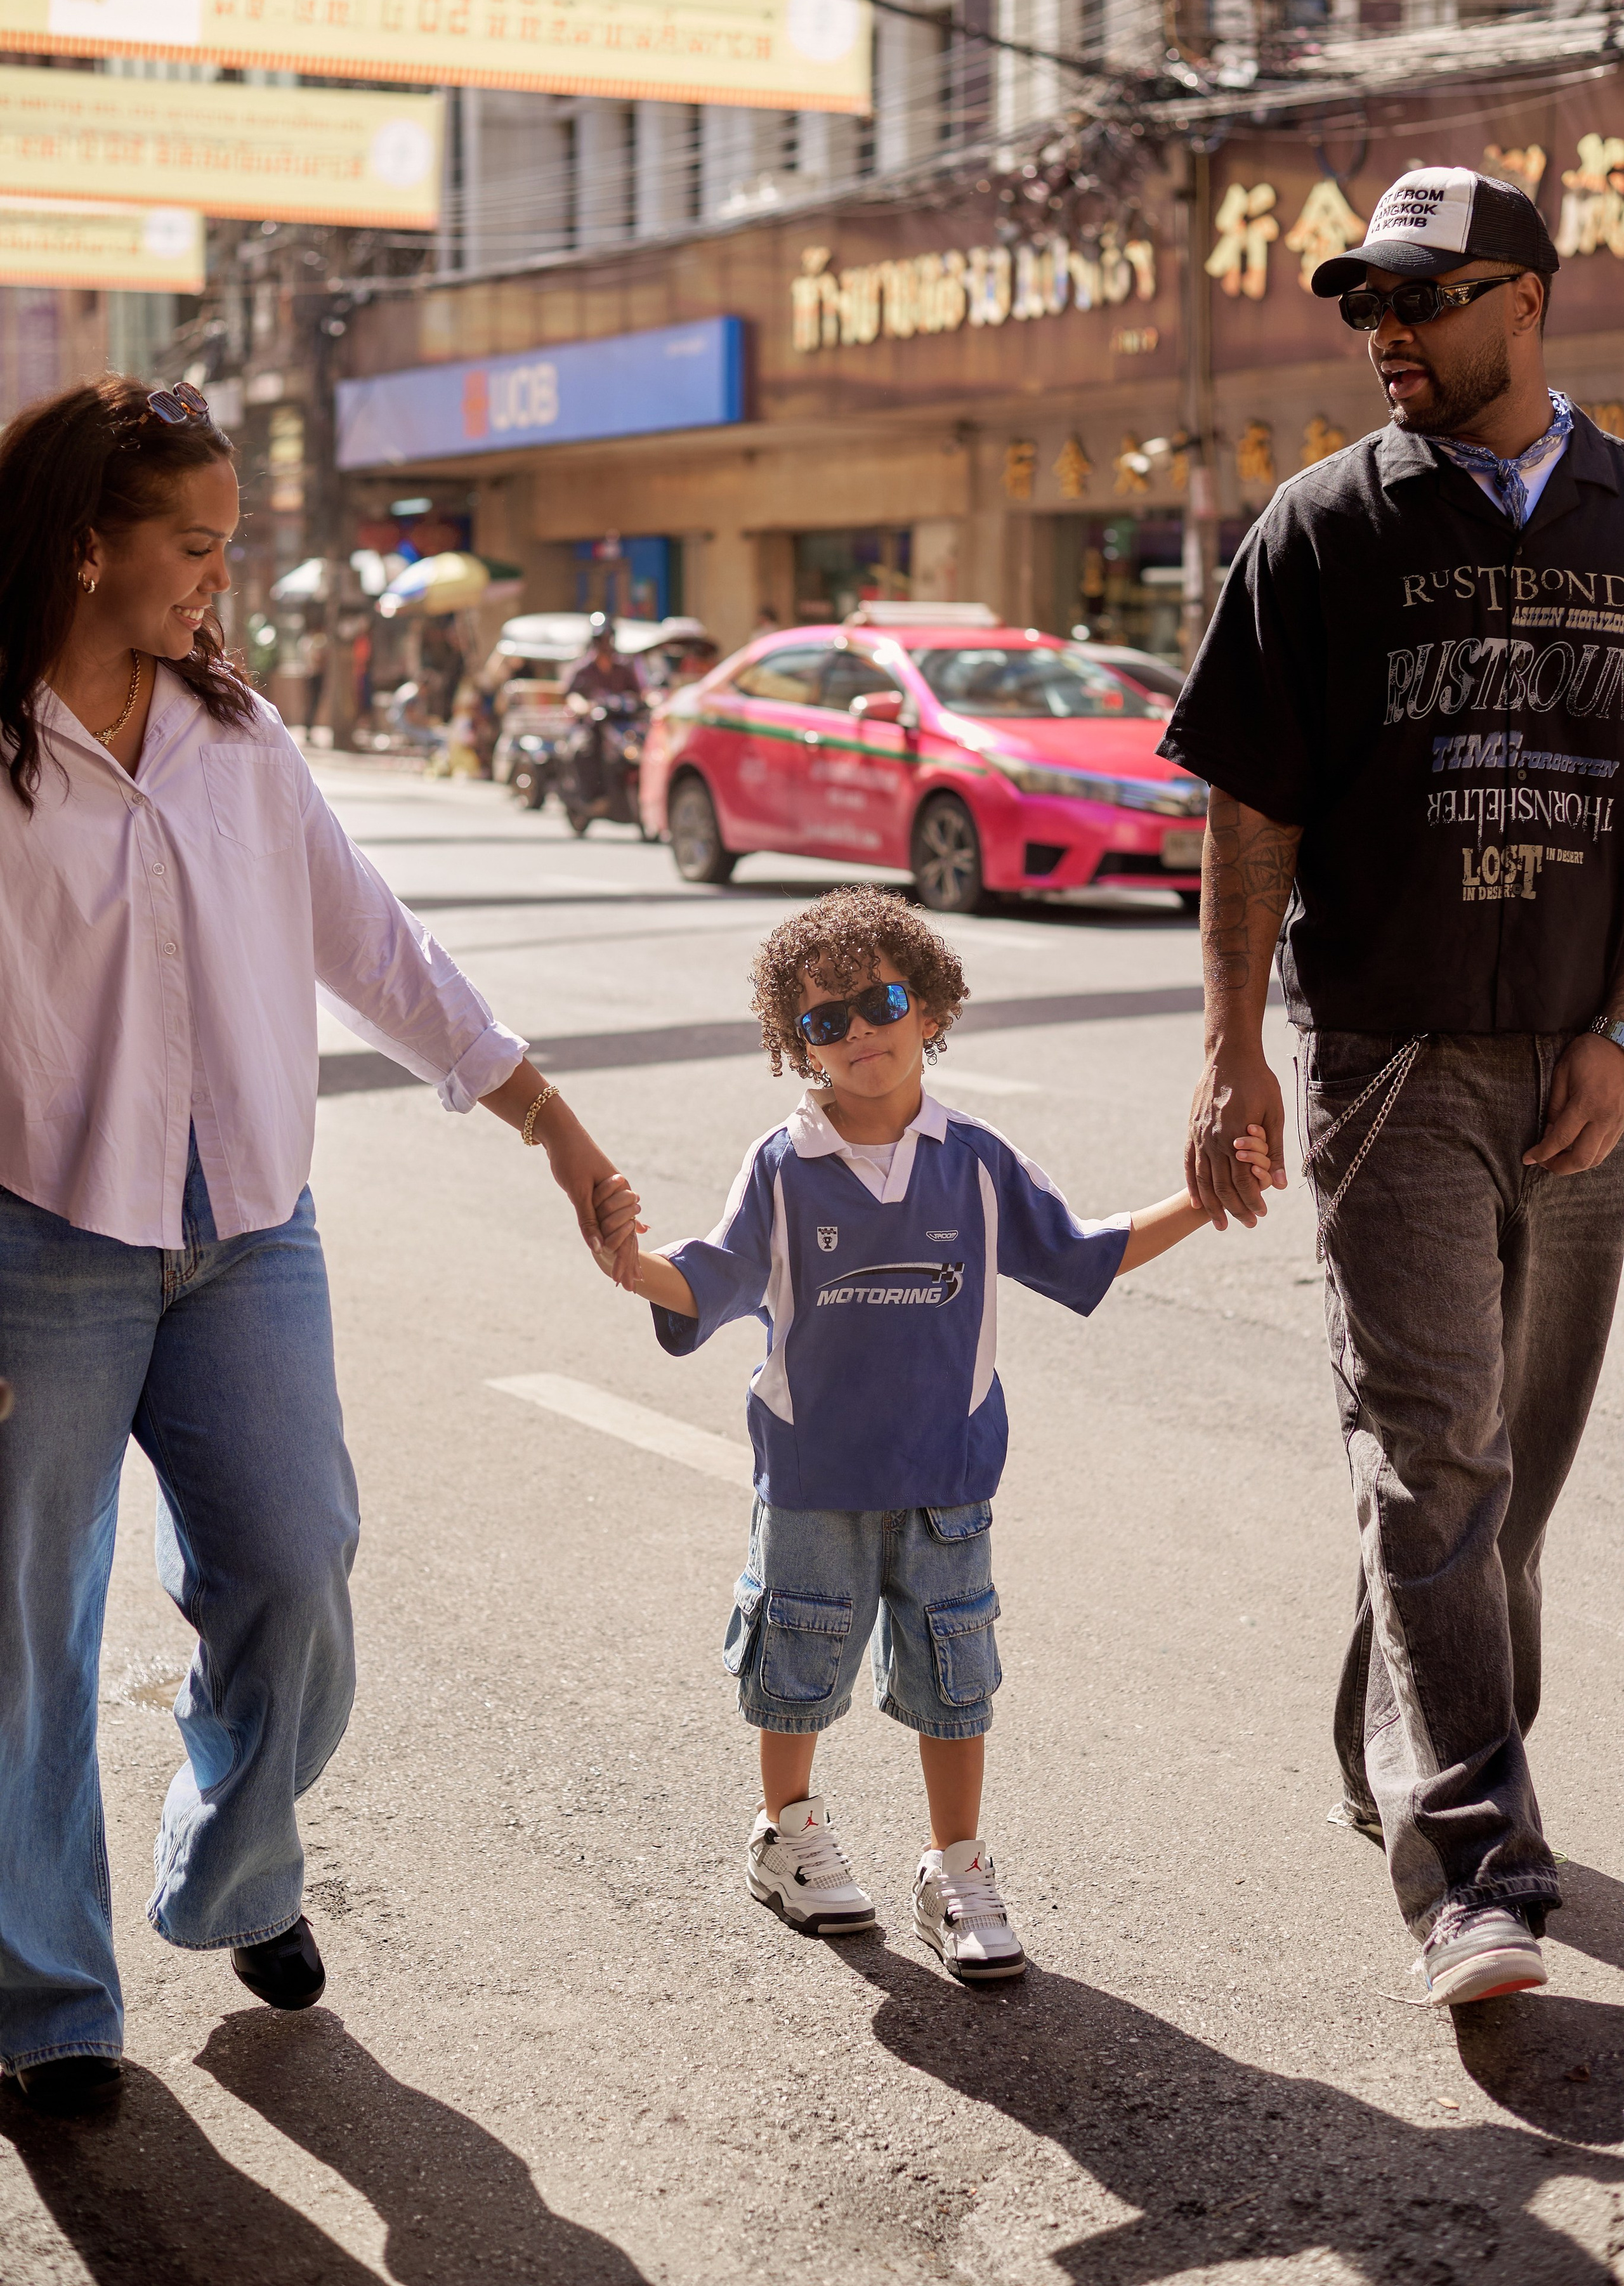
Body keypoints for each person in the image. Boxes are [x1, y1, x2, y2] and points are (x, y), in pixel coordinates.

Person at [0, 376, 641, 2118]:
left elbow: (378, 946)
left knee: (298, 1560)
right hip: (35, 1244)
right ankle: (50, 1994)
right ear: (84, 547)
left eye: (228, 543)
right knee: (25, 1632)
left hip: (248, 1234)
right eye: (193, 545)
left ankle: (230, 1862)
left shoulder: (236, 731)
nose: (222, 576)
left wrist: (555, 1131)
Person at [1159, 166, 1624, 2007]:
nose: (1387, 337)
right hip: (1392, 1061)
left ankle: (1393, 1737)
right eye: (1367, 305)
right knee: (1434, 1456)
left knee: (1505, 1486)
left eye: (1422, 301)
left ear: (1527, 300)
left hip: (1586, 1075)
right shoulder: (1321, 526)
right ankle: (1475, 1868)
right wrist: (1229, 1058)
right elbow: (1249, 809)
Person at [590, 887, 1271, 1982]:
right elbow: (708, 1279)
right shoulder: (783, 1165)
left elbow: (1086, 1253)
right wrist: (634, 1267)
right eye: (826, 1019)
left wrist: (1207, 1195)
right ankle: (790, 1837)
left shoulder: (976, 1159)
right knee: (799, 1660)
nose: (860, 1030)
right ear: (796, 1044)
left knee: (958, 1676)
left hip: (947, 1476)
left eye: (881, 1000)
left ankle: (957, 1867)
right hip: (814, 1480)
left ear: (930, 1007)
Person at [563, 613, 643, 811]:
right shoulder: (583, 668)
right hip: (592, 725)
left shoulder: (624, 667)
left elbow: (639, 694)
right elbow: (572, 696)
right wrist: (583, 706)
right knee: (583, 750)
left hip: (620, 725)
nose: (605, 645)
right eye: (602, 640)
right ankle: (590, 797)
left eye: (609, 639)